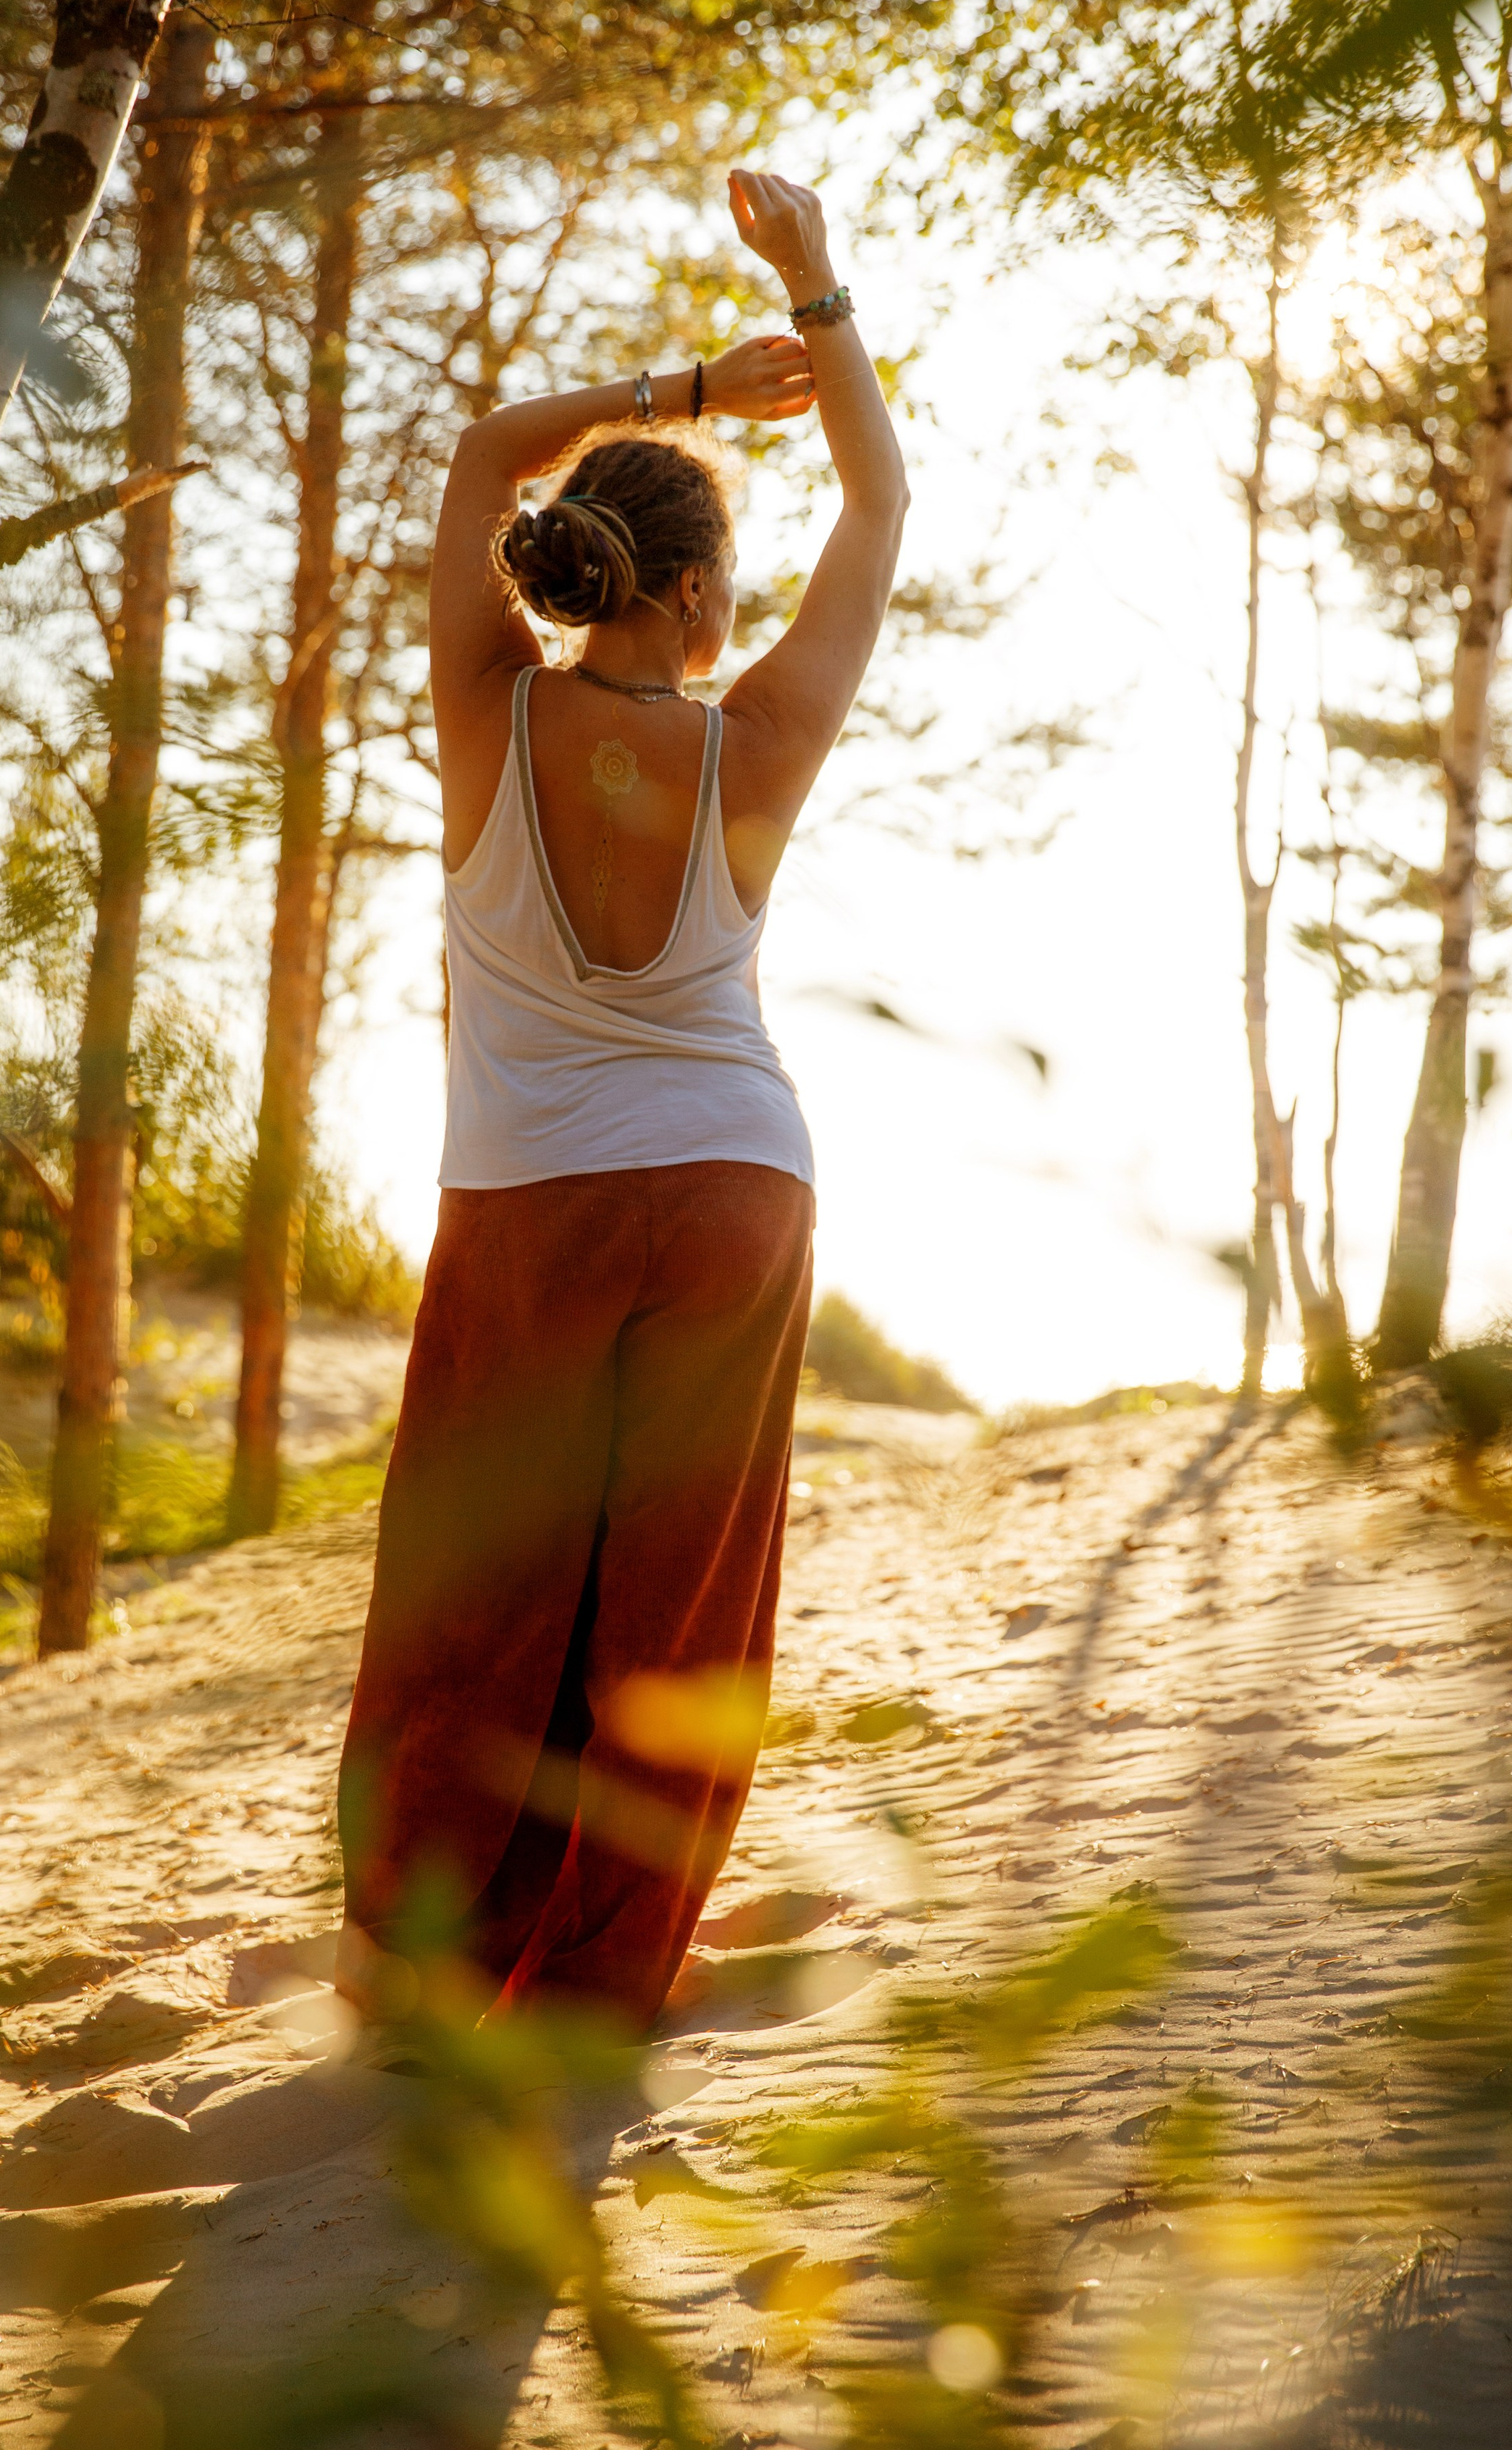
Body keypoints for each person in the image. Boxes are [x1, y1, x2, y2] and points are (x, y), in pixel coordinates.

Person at [337, 169, 908, 2035]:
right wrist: (816, 303)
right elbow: (884, 504)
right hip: (738, 1181)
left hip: (526, 1199)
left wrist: (675, 392)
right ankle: (599, 1978)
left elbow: (486, 446)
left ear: (594, 570)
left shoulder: (484, 701)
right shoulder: (759, 739)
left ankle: (432, 1949)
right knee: (677, 1608)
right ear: (699, 592)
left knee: (485, 1589)